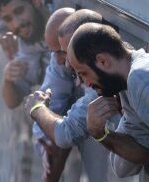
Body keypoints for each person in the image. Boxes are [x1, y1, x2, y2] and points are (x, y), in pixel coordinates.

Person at [68, 22, 149, 177]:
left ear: (102, 61)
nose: (86, 84)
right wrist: (100, 133)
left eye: (83, 74)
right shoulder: (127, 88)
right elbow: (125, 165)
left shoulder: (140, 80)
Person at [24, 9, 101, 149]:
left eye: (62, 52)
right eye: (54, 53)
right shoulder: (62, 56)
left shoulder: (100, 76)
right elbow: (53, 102)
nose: (62, 62)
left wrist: (37, 109)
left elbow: (68, 133)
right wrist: (46, 144)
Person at [0, 0, 50, 109]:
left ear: (36, 1)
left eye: (19, 11)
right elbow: (12, 102)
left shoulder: (63, 27)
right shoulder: (26, 44)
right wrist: (8, 79)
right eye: (8, 19)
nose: (17, 23)